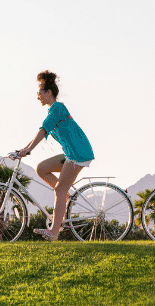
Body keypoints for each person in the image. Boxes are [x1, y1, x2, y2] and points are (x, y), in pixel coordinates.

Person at [14, 70, 95, 241]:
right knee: (41, 168)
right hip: (70, 153)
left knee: (59, 189)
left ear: (48, 92)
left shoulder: (57, 108)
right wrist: (25, 149)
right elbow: (42, 131)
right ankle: (65, 195)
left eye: (40, 93)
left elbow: (43, 131)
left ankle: (54, 232)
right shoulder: (54, 110)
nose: (38, 97)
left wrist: (28, 150)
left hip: (78, 153)